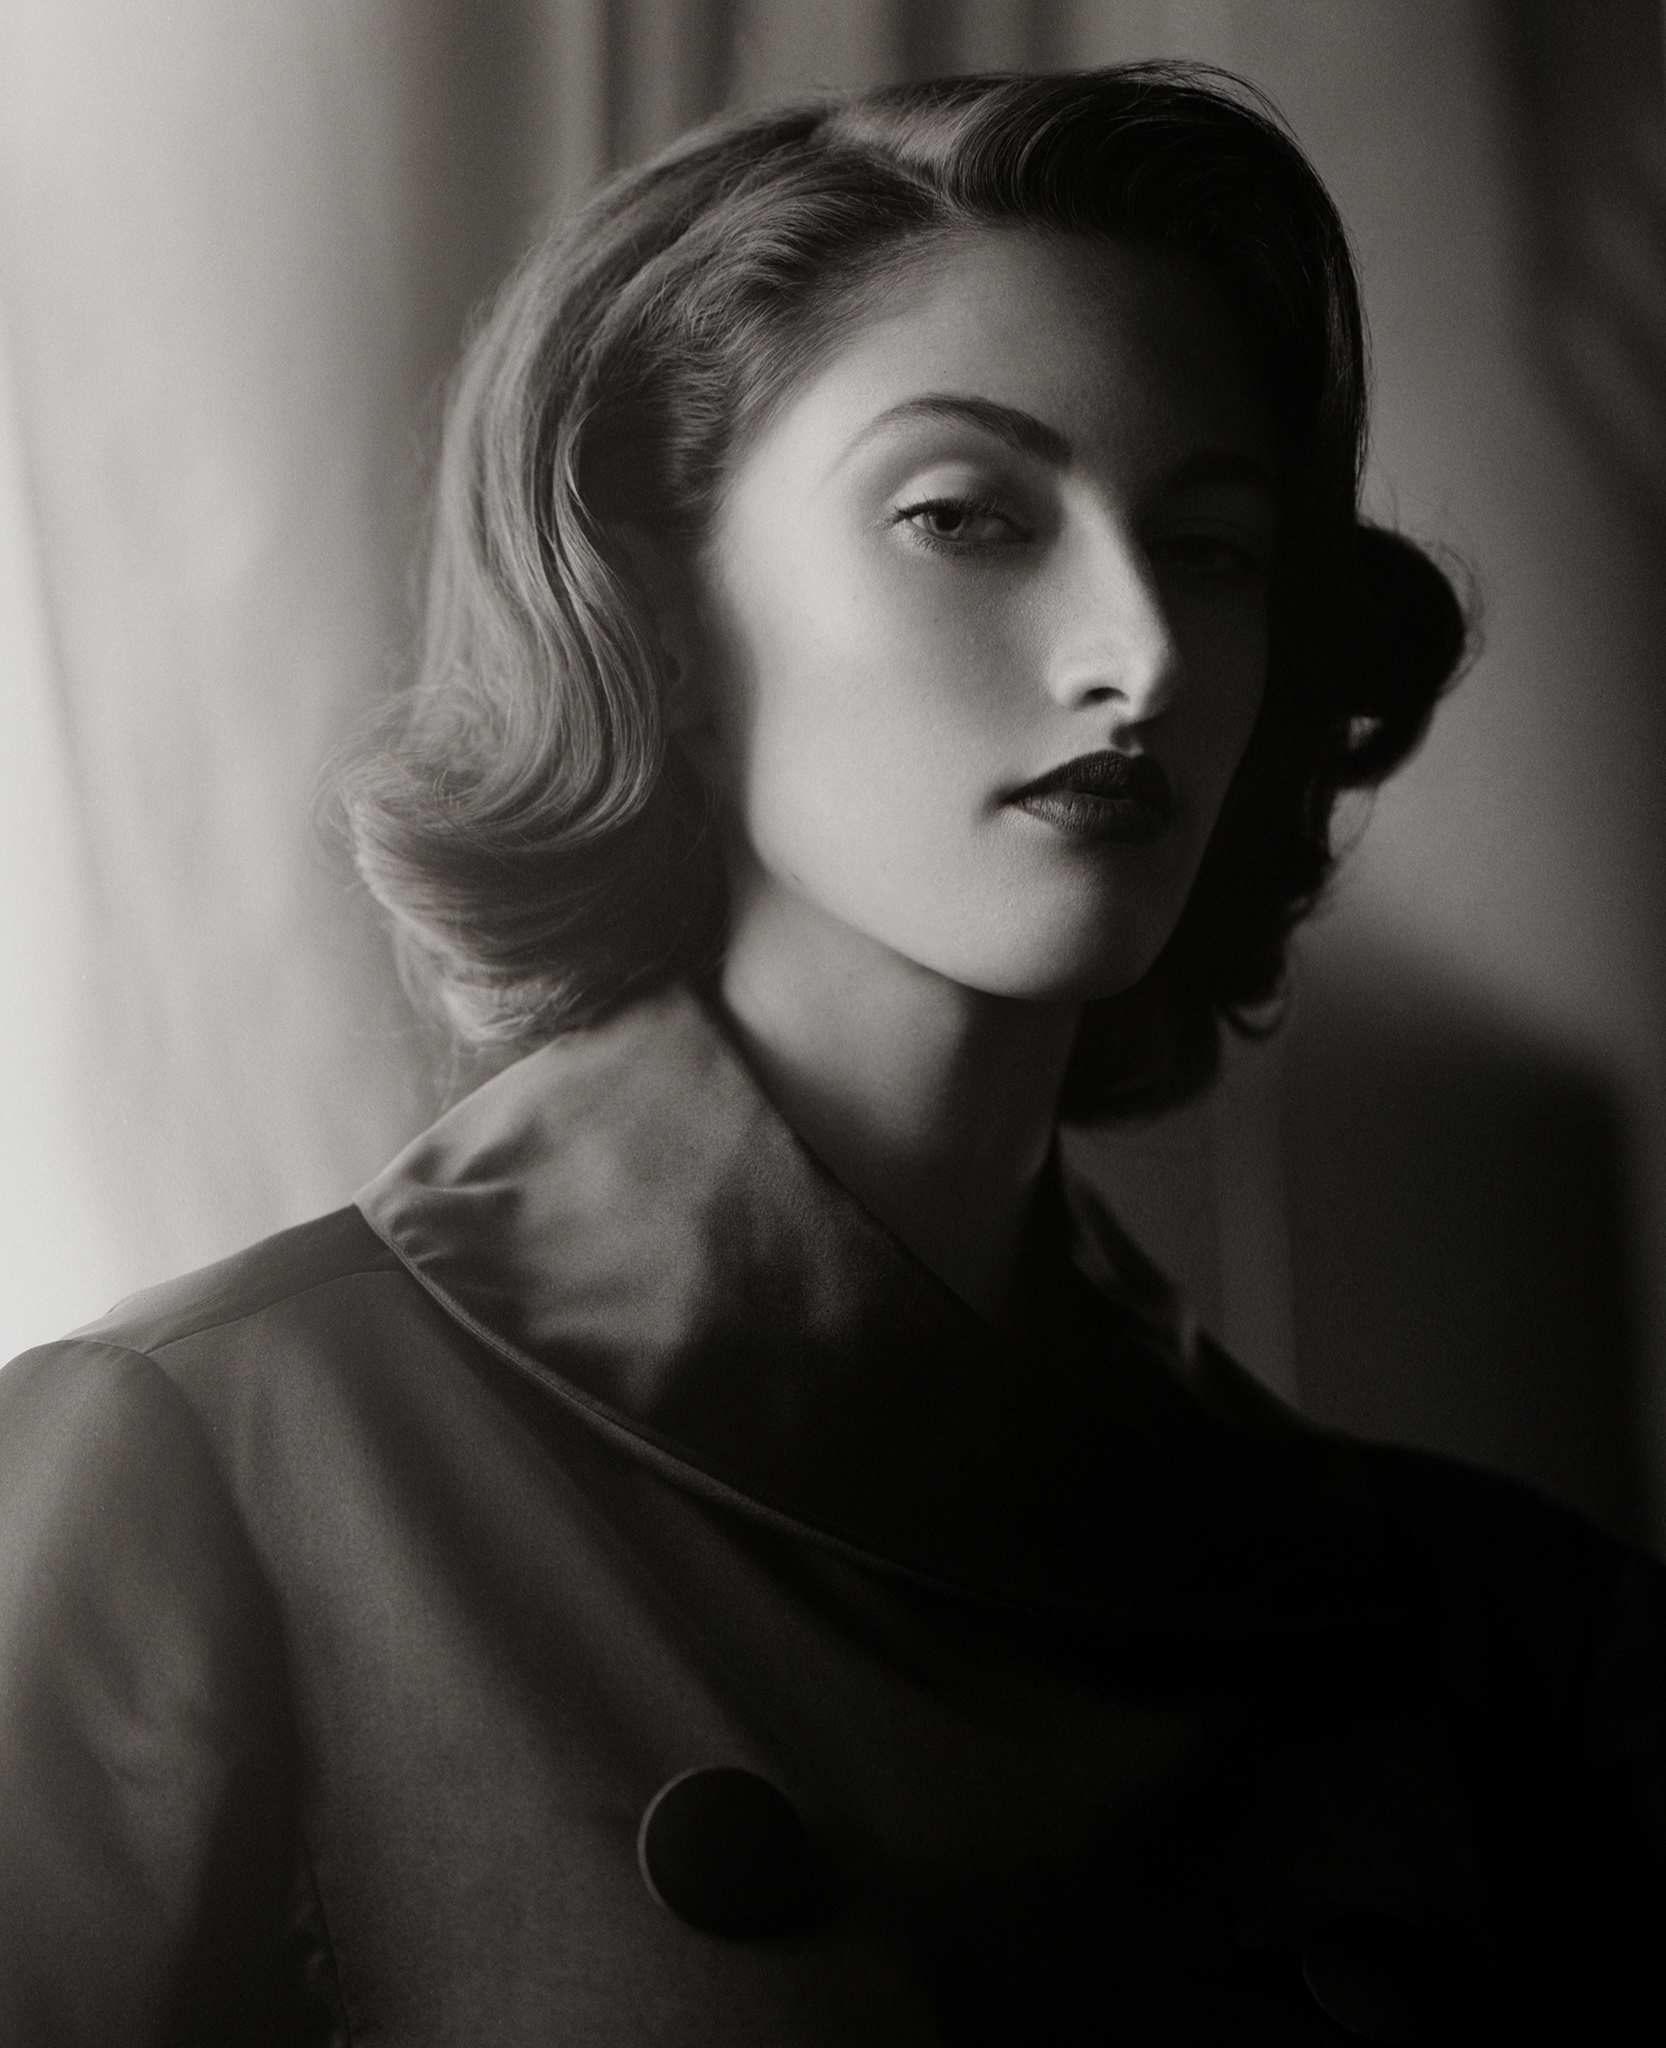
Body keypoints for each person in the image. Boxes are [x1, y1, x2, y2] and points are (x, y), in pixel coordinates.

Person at [1, 63, 1660, 2046]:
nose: (1136, 651)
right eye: (964, 516)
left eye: (1210, 545)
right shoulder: (209, 1468)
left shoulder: (1494, 1637)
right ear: (659, 616)